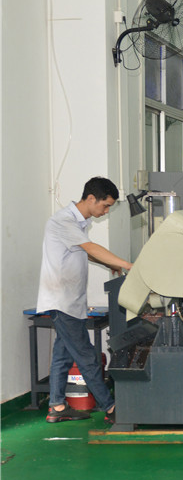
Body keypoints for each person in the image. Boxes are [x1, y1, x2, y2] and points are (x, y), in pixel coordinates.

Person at [37, 177, 132, 423]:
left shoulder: (80, 222)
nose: (106, 211)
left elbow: (82, 251)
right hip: (62, 301)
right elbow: (89, 247)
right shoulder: (63, 220)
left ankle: (57, 407)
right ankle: (110, 408)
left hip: (70, 302)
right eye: (105, 205)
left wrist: (108, 264)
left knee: (63, 355)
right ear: (91, 198)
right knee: (87, 356)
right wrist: (126, 264)